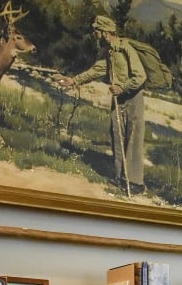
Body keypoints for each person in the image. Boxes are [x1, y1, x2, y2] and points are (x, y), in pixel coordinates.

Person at [59, 15, 148, 195]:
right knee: (116, 133)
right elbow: (95, 71)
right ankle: (119, 177)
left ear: (105, 32)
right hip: (118, 98)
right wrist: (73, 81)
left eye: (97, 31)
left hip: (133, 97)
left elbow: (141, 76)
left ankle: (136, 183)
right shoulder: (107, 52)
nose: (95, 34)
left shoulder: (126, 49)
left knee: (133, 137)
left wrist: (122, 87)